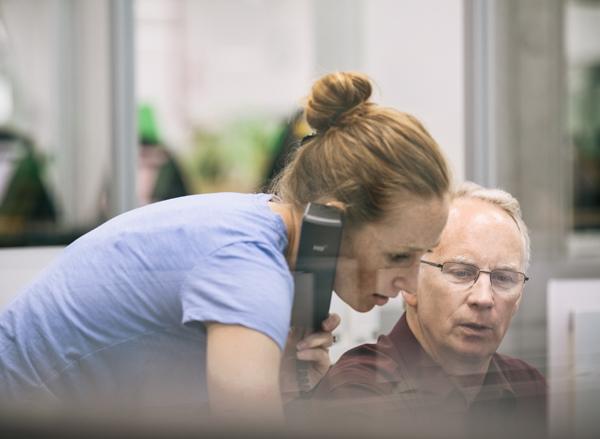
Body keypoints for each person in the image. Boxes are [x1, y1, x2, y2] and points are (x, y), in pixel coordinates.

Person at [0, 72, 450, 429]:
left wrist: (291, 385)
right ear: (331, 219)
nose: (411, 283)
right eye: (398, 256)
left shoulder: (253, 225)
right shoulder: (247, 269)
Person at [312, 182, 546, 437]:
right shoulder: (359, 389)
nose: (483, 298)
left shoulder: (528, 387)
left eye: (503, 278)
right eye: (460, 272)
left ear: (519, 296)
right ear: (409, 282)